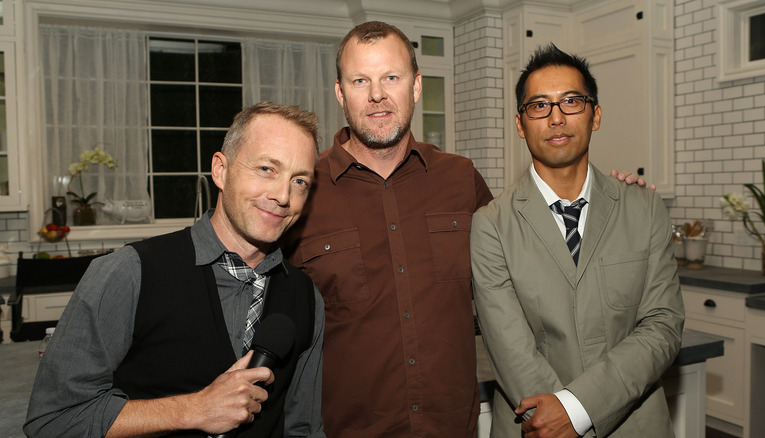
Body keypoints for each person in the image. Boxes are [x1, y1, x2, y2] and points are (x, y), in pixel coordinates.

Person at [24, 102, 326, 438]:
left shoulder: (306, 297)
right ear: (220, 170)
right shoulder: (129, 273)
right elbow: (53, 420)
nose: (283, 195)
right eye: (267, 169)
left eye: (299, 181)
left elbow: (303, 428)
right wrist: (193, 409)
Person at [282, 21, 492, 437]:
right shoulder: (303, 189)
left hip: (451, 428)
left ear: (415, 86)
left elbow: (529, 262)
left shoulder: (461, 179)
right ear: (340, 92)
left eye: (390, 78)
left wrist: (605, 197)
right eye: (361, 80)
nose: (377, 94)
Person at [470, 43, 685, 437]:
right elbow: (509, 349)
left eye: (571, 101)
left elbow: (663, 326)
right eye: (539, 106)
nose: (556, 118)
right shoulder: (491, 226)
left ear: (595, 115)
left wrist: (577, 410)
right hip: (534, 424)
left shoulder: (644, 209)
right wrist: (557, 417)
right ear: (520, 124)